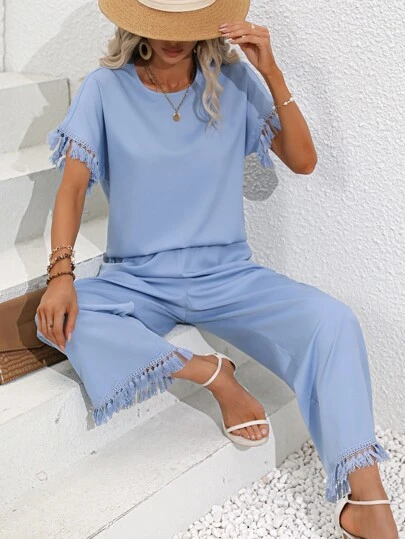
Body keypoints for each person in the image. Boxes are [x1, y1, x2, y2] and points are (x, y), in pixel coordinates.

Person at [34, 0, 398, 536]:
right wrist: (61, 274)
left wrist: (271, 71)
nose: (173, 38)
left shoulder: (233, 81)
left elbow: (303, 160)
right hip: (137, 279)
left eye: (187, 24)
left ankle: (367, 501)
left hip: (228, 277)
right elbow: (71, 188)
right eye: (163, 24)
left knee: (334, 321)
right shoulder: (104, 89)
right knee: (66, 317)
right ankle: (213, 374)